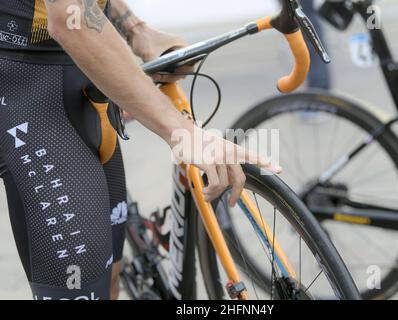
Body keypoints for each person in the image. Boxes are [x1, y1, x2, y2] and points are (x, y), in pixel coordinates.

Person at [0, 0, 280, 300]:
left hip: (80, 77)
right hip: (27, 93)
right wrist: (181, 132)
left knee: (108, 281)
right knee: (82, 288)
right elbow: (72, 18)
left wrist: (136, 30)